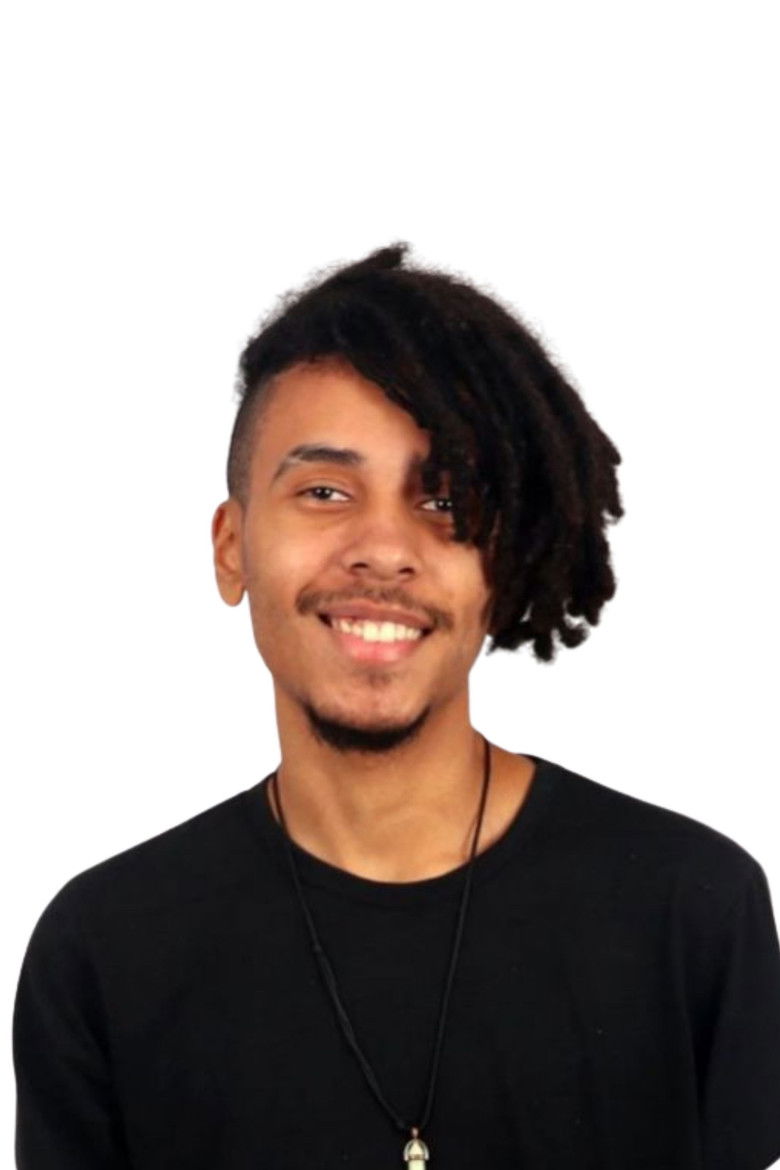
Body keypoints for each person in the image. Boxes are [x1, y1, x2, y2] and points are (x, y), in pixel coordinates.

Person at [12, 243, 780, 1169]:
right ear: (231, 547)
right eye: (325, 491)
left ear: (507, 557)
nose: (384, 547)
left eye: (444, 501)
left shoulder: (693, 914)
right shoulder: (105, 952)